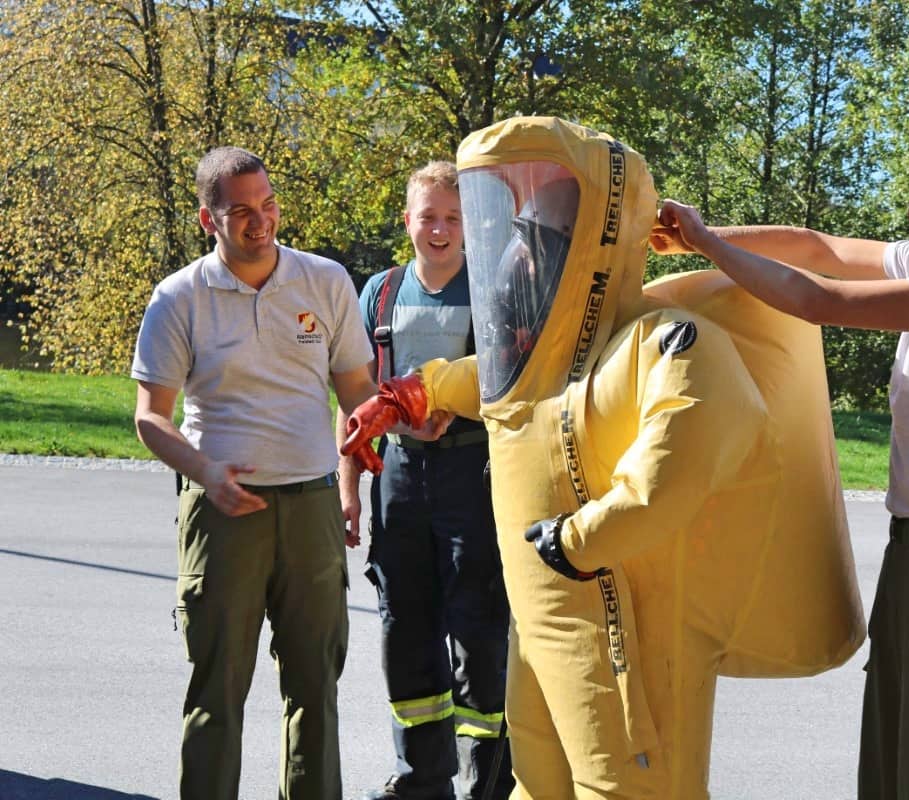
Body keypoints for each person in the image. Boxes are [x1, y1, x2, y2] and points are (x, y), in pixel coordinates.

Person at [340, 116, 865, 799]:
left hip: (628, 644)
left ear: (592, 243)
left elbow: (682, 458)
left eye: (542, 237)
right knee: (539, 778)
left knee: (626, 788)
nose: (520, 256)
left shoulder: (669, 341)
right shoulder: (549, 360)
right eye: (520, 234)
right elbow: (502, 390)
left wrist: (579, 539)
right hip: (543, 626)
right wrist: (411, 394)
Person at [653, 133, 909, 800]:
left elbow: (821, 298)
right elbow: (818, 247)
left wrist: (712, 247)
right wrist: (699, 234)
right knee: (893, 748)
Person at [130, 146, 378, 800]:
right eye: (240, 210)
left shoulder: (324, 281)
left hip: (312, 509)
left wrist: (398, 419)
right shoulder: (179, 297)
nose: (260, 221)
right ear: (208, 219)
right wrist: (206, 472)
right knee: (217, 689)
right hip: (221, 512)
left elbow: (358, 392)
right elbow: (150, 417)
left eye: (267, 204)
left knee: (315, 689)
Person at [337, 161, 513, 800]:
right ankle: (421, 780)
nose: (439, 230)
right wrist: (349, 488)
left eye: (453, 218)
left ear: (471, 224)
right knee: (405, 629)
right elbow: (353, 400)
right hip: (400, 485)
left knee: (479, 633)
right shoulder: (379, 293)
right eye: (428, 217)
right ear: (406, 220)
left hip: (478, 479)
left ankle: (487, 783)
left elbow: (523, 393)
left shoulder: (496, 290)